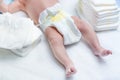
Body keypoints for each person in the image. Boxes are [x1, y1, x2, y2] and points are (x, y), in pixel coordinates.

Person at [0, 0, 112, 77]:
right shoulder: (21, 2)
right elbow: (7, 10)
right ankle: (68, 63)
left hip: (62, 14)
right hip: (47, 22)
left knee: (83, 24)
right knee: (54, 40)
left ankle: (98, 48)